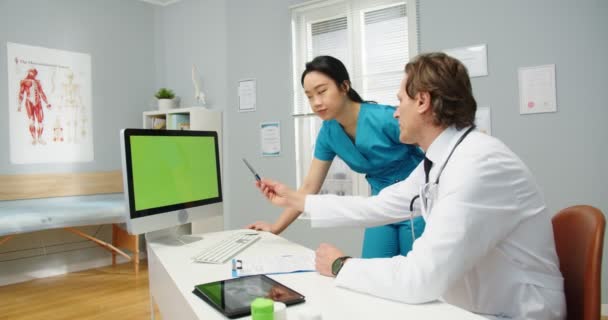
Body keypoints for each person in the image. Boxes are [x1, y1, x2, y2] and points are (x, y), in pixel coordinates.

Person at [256, 53, 566, 319]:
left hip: (515, 311)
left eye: (400, 100)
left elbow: (420, 278)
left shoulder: (477, 165)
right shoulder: (440, 160)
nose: (394, 111)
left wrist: (340, 264)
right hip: (475, 301)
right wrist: (296, 200)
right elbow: (378, 206)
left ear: (422, 102)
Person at [246, 55, 425, 258]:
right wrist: (275, 228)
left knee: (416, 277)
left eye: (322, 91)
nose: (316, 102)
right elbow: (309, 188)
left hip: (417, 201)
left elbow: (433, 149)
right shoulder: (328, 134)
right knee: (370, 272)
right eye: (309, 96)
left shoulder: (385, 118)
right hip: (380, 207)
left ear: (344, 86)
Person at [17, 68, 52, 145]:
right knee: (31, 121)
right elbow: (21, 93)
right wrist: (19, 104)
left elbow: (41, 92)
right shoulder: (24, 81)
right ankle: (34, 138)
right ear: (29, 73)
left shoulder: (37, 82)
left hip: (38, 102)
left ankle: (39, 137)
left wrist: (47, 103)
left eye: (34, 73)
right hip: (29, 102)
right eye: (32, 73)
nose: (33, 74)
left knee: (41, 121)